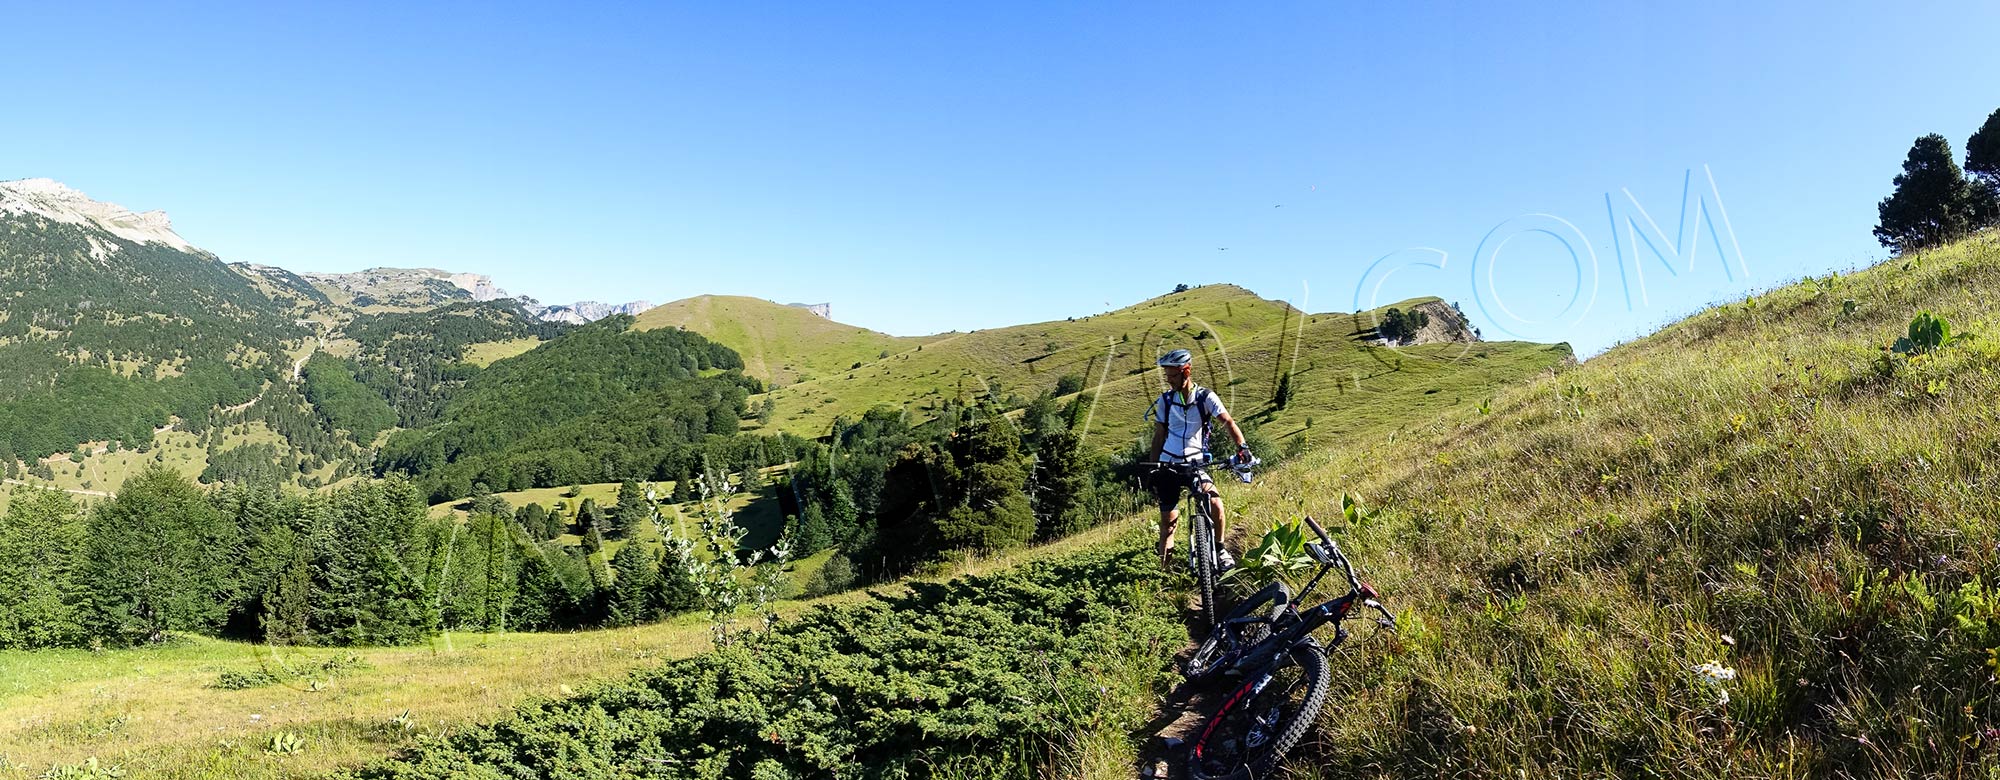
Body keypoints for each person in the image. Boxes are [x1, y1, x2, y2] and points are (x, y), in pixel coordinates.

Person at [1146, 348, 1251, 569]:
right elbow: (1158, 436)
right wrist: (1153, 468)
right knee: (1168, 525)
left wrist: (1242, 447)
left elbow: (1228, 422)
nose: (1169, 380)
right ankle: (1164, 572)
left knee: (1216, 504)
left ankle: (1220, 550)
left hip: (1195, 464)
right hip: (1169, 464)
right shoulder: (1165, 400)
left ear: (1186, 371)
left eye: (1172, 375)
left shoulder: (1206, 397)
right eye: (1167, 375)